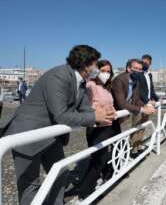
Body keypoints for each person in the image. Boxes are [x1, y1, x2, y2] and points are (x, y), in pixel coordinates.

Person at [1, 45, 116, 205]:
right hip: (27, 134)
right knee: (30, 186)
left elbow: (85, 109)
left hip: (51, 136)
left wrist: (102, 115)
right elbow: (61, 114)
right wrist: (94, 116)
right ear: (85, 64)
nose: (98, 69)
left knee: (60, 175)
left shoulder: (82, 81)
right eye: (96, 65)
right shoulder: (59, 76)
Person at [79, 60, 119, 199]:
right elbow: (85, 106)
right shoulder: (91, 85)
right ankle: (85, 193)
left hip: (108, 127)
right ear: (97, 71)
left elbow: (111, 105)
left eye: (108, 71)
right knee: (97, 160)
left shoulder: (107, 89)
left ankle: (91, 187)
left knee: (101, 159)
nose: (106, 74)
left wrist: (113, 112)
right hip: (96, 128)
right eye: (103, 71)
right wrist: (99, 112)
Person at [111, 59, 155, 157]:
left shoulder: (135, 80)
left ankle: (120, 160)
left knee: (117, 140)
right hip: (112, 114)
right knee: (111, 141)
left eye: (140, 69)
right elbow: (122, 103)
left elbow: (136, 99)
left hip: (120, 116)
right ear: (128, 69)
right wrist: (142, 109)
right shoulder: (120, 80)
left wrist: (146, 106)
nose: (138, 71)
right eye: (135, 68)